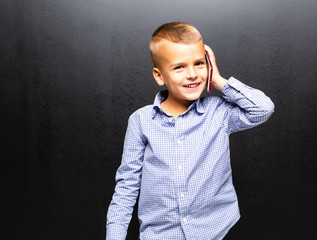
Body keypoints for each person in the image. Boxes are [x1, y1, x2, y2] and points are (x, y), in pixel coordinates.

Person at [106, 22, 274, 240]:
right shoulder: (141, 121)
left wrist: (217, 80)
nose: (193, 74)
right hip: (160, 235)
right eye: (179, 67)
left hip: (215, 231)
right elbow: (127, 186)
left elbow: (263, 109)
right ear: (159, 76)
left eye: (199, 63)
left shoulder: (218, 113)